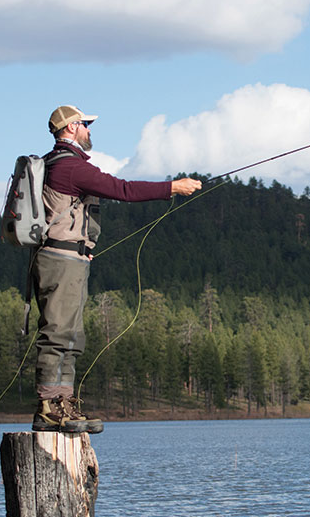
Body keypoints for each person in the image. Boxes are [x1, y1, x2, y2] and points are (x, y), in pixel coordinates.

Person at [32, 105, 201, 433]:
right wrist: (172, 188)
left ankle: (62, 403)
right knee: (58, 334)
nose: (90, 130)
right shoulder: (69, 166)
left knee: (70, 335)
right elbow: (122, 189)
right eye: (85, 125)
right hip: (61, 261)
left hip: (70, 259)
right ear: (71, 128)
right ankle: (49, 407)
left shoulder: (64, 164)